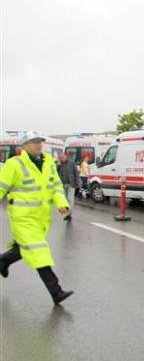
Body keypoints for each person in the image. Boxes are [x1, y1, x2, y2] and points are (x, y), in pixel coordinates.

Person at [0, 131, 74, 305]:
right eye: (34, 142)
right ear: (24, 146)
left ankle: (3, 260)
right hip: (22, 218)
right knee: (39, 251)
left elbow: (56, 186)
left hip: (41, 219)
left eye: (39, 142)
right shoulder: (14, 164)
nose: (38, 145)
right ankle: (56, 292)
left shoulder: (48, 162)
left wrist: (61, 202)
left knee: (24, 248)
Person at [57, 152, 80, 221]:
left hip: (71, 184)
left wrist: (77, 182)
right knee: (65, 200)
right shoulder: (60, 165)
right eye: (60, 158)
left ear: (65, 156)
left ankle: (69, 215)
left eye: (63, 157)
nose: (62, 159)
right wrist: (58, 165)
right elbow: (56, 174)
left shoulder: (72, 163)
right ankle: (68, 214)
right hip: (63, 184)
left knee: (70, 199)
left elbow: (76, 172)